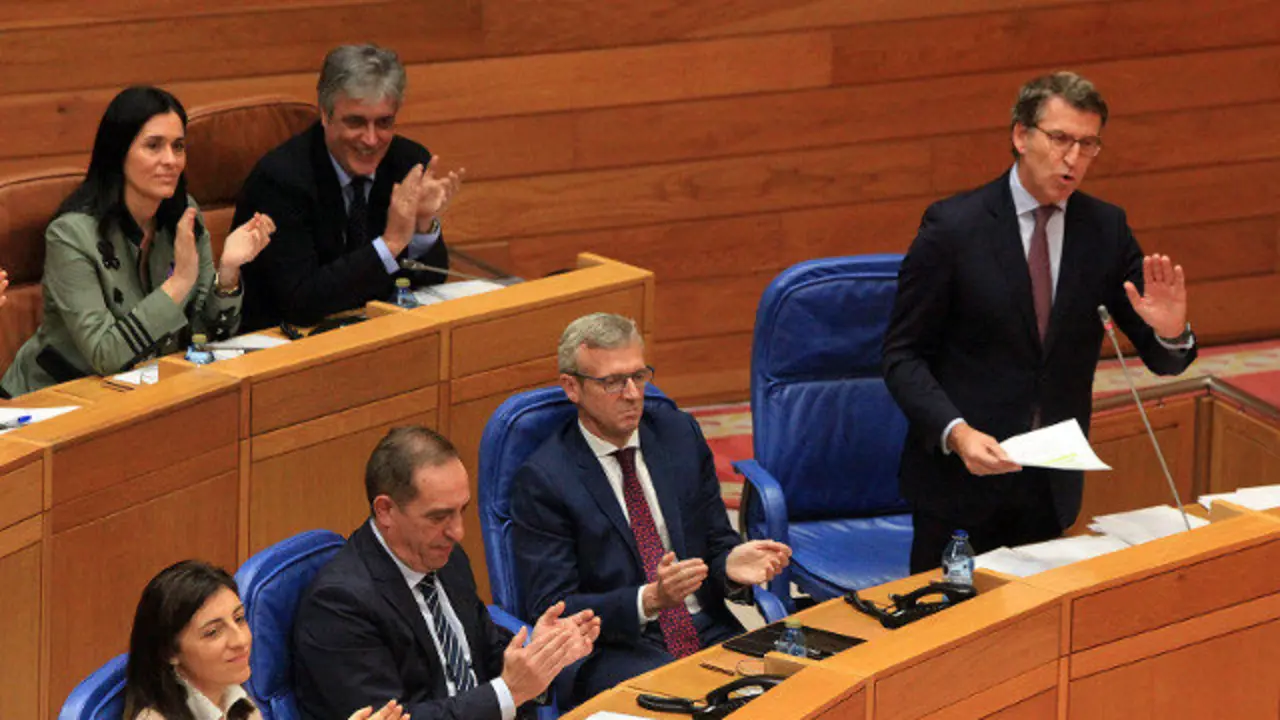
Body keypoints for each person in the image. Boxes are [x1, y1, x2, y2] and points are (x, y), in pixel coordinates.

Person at [882, 72, 1198, 574]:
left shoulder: (1105, 230)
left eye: (1088, 144)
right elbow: (901, 356)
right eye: (1060, 139)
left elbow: (1162, 359)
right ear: (1020, 136)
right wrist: (957, 432)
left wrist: (1169, 331)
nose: (1073, 158)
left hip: (1050, 486)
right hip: (960, 483)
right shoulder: (954, 228)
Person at [510, 313, 792, 707]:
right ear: (571, 387)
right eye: (612, 382)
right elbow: (553, 607)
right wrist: (650, 599)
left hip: (708, 629)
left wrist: (729, 565)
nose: (632, 394)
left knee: (801, 692)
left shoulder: (678, 434)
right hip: (617, 649)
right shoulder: (544, 479)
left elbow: (715, 539)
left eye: (639, 376)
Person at [293, 426, 600, 720]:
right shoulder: (339, 606)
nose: (458, 532)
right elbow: (394, 717)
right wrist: (509, 692)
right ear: (385, 510)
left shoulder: (445, 558)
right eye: (439, 516)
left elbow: (487, 650)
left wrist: (540, 655)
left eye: (461, 510)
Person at [0, 86, 273, 398]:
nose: (171, 160)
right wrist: (179, 284)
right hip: (54, 400)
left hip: (142, 392)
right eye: (153, 146)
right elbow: (106, 355)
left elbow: (208, 334)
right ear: (119, 153)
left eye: (179, 146)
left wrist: (228, 273)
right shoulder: (71, 235)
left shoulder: (184, 216)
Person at [232, 44, 463, 331]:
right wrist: (390, 245)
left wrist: (422, 227)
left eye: (384, 123)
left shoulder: (408, 164)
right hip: (286, 347)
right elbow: (301, 303)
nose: (371, 139)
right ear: (325, 115)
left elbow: (427, 284)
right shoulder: (281, 180)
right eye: (356, 122)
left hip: (375, 336)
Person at [123, 559, 406, 720]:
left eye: (239, 619)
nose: (241, 640)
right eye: (213, 632)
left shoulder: (235, 700)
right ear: (169, 652)